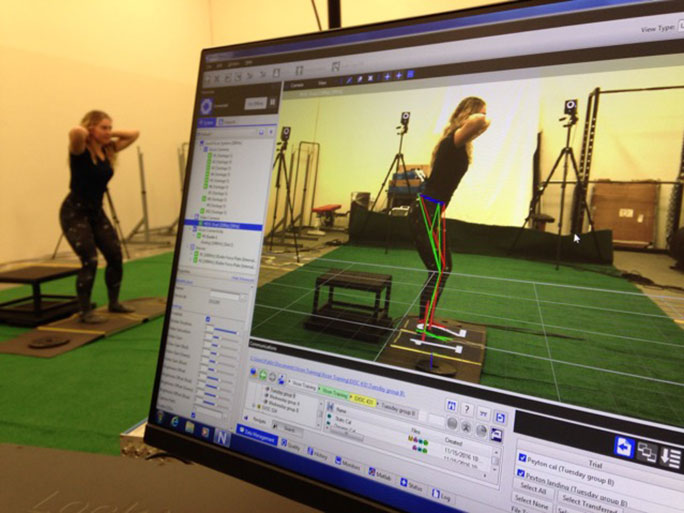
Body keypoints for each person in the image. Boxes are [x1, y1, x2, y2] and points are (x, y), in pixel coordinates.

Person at [409, 97, 490, 336]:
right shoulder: (454, 140)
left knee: (445, 267)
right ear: (468, 114)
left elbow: (478, 123)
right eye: (481, 113)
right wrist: (481, 117)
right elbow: (479, 121)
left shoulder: (460, 144)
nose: (484, 121)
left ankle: (427, 319)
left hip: (434, 213)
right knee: (439, 268)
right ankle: (425, 324)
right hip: (425, 212)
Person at [60, 110, 139, 323]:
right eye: (104, 127)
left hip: (96, 212)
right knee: (90, 260)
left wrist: (106, 135)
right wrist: (89, 131)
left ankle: (114, 303)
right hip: (74, 212)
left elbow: (134, 134)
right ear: (91, 128)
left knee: (114, 255)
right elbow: (75, 132)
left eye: (110, 128)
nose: (109, 132)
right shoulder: (79, 150)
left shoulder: (109, 149)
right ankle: (85, 311)